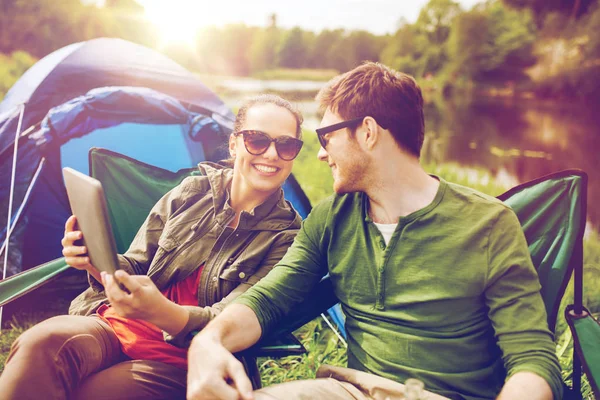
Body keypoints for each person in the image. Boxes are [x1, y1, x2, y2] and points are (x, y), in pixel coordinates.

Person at [186, 63, 563, 400]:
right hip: (352, 391)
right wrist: (209, 341)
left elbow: (531, 358)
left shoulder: (489, 224)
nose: (320, 153)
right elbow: (268, 300)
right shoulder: (331, 219)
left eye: (327, 136)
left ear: (367, 132)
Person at [0, 94, 305, 400]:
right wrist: (93, 259)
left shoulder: (288, 238)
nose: (271, 154)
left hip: (183, 358)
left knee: (93, 393)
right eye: (257, 140)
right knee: (40, 343)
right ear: (234, 144)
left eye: (286, 145)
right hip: (116, 325)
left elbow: (230, 322)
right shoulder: (189, 193)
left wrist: (160, 311)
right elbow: (134, 265)